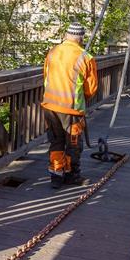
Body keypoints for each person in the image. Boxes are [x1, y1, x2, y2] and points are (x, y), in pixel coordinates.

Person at [41, 22, 99, 188]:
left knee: (56, 142)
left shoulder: (52, 52)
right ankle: (72, 175)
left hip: (50, 106)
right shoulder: (85, 57)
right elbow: (91, 88)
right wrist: (81, 100)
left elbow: (45, 76)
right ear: (81, 38)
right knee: (73, 143)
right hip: (70, 108)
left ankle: (56, 176)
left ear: (66, 36)